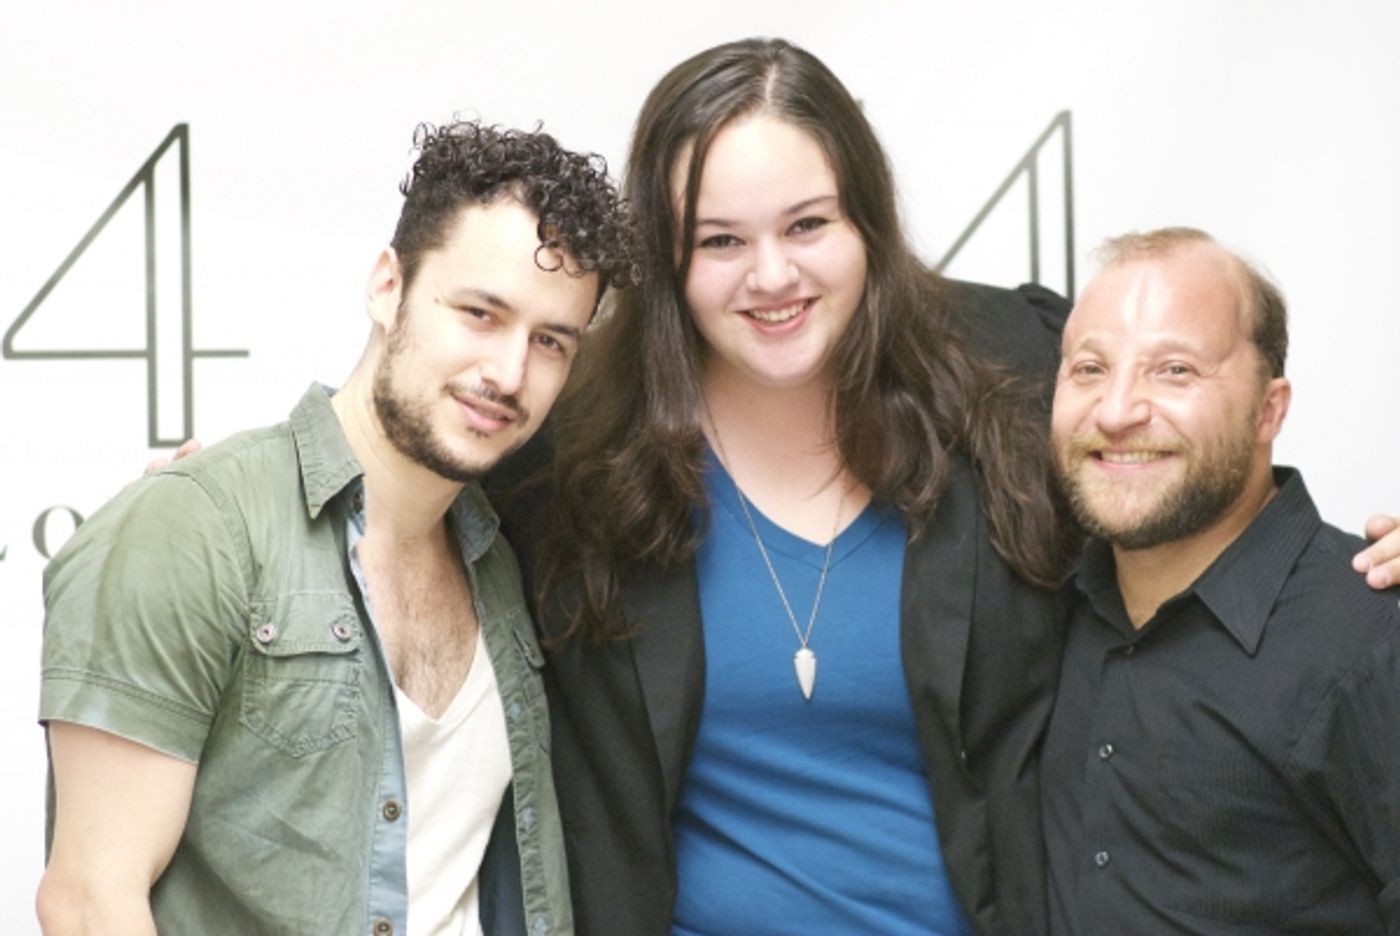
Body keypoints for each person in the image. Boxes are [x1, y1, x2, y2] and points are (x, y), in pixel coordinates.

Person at [487, 38, 1400, 936]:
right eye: (719, 240)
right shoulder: (573, 447)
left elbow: (1195, 470)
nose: (772, 276)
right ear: (665, 255)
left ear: (867, 221)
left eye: (808, 225)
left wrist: (1362, 583)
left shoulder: (1010, 368)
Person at [36, 120, 632, 936]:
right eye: (479, 313)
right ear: (387, 286)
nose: (509, 372)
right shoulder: (199, 527)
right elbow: (87, 902)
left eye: (551, 342)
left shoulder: (505, 560)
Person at [1041, 228, 1400, 933]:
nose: (1115, 411)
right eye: (1088, 369)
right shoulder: (1038, 601)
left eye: (1174, 370)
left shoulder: (1370, 640)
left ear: (1269, 410)